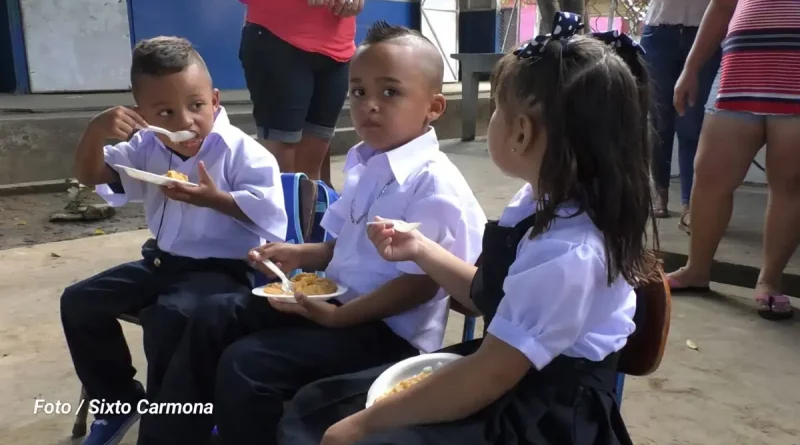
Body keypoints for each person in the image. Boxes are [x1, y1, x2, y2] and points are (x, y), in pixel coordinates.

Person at [278, 12, 660, 445]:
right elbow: (490, 294)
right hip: (509, 365)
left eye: (496, 109)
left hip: (543, 409)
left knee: (352, 429)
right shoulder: (538, 201)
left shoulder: (571, 252)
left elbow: (490, 374)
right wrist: (421, 248)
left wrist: (364, 425)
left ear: (520, 133)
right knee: (318, 406)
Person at [137, 22, 487, 445]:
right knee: (211, 317)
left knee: (247, 364)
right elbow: (342, 247)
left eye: (390, 92)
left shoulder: (433, 184)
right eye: (358, 91)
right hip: (334, 302)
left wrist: (341, 317)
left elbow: (422, 285)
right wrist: (299, 255)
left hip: (386, 334)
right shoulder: (367, 163)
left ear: (433, 107)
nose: (369, 105)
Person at [61, 36, 288, 445]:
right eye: (165, 112)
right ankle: (119, 401)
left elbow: (273, 218)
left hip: (226, 271)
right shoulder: (146, 146)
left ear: (215, 100)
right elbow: (92, 175)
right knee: (79, 301)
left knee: (171, 319)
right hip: (163, 263)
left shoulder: (243, 153)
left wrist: (214, 199)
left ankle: (175, 426)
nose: (184, 121)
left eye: (196, 105)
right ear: (141, 116)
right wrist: (97, 132)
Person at [669, 0, 800, 320]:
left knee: (791, 182)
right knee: (709, 174)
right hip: (740, 68)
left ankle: (769, 281)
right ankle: (696, 270)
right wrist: (691, 67)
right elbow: (723, 5)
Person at [239, 0, 364, 182]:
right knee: (282, 168)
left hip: (337, 47)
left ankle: (309, 210)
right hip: (278, 38)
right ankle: (283, 210)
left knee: (312, 168)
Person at [640, 0, 720, 231]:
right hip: (659, 30)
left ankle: (690, 203)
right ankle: (659, 193)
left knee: (692, 123)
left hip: (705, 30)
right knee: (658, 119)